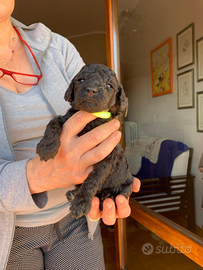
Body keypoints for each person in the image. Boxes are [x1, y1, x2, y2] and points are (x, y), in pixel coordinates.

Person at [0, 1, 141, 269]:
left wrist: (104, 188)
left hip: (76, 219)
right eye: (81, 85)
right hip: (7, 233)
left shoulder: (58, 47)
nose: (89, 89)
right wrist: (38, 174)